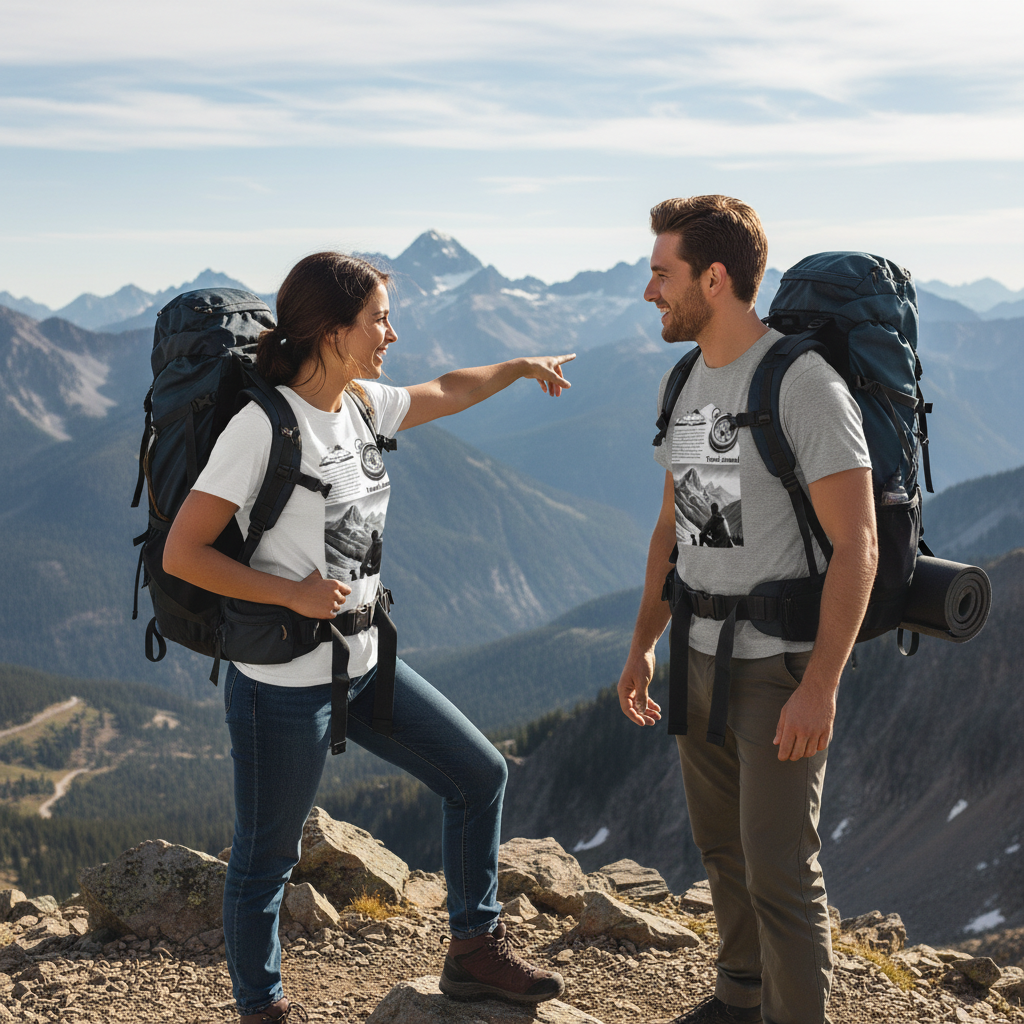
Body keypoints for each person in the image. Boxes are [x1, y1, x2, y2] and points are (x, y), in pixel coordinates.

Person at [163, 252, 574, 1023]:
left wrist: (520, 367)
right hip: (281, 686)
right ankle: (263, 1008)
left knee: (479, 775)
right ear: (331, 329)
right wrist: (290, 593)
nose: (392, 331)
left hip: (362, 663)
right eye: (378, 317)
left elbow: (443, 391)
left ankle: (473, 953)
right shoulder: (264, 426)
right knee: (265, 862)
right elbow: (184, 552)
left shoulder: (356, 404)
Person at [616, 197, 878, 1024]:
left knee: (779, 870)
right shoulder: (689, 378)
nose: (651, 290)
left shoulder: (802, 383)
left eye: (663, 273)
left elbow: (858, 545)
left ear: (715, 278)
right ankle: (738, 997)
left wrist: (822, 686)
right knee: (723, 851)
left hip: (779, 668)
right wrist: (642, 647)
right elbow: (683, 525)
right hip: (699, 653)